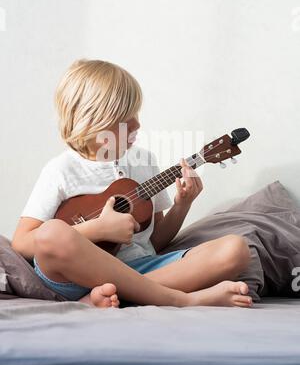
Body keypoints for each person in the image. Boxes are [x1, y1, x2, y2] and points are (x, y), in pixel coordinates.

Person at [12, 59, 251, 308]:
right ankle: (180, 299)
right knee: (52, 233)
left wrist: (183, 204)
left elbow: (155, 241)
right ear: (92, 121)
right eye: (125, 119)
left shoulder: (144, 161)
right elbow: (23, 242)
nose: (137, 125)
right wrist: (98, 229)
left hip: (142, 268)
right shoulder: (61, 170)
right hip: (76, 277)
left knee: (236, 249)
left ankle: (108, 297)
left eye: (136, 114)